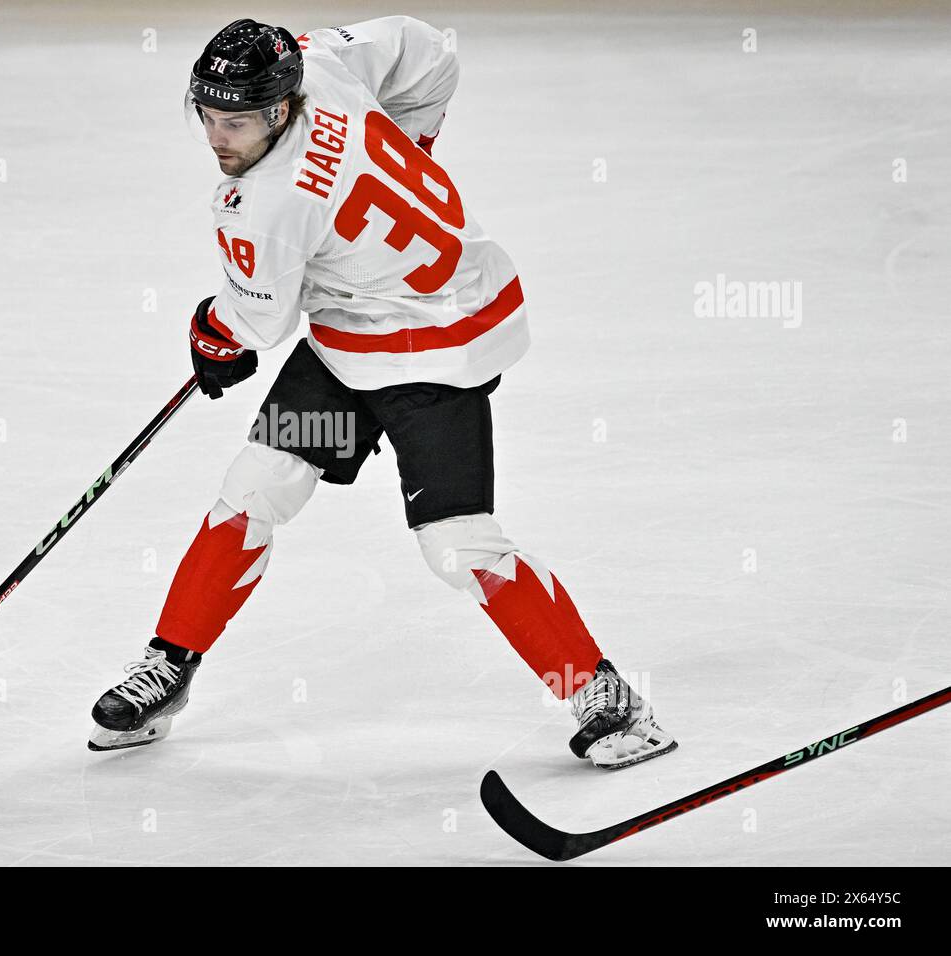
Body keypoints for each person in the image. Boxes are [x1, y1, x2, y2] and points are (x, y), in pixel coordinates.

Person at [88, 17, 676, 770]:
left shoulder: (260, 205)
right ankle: (168, 666)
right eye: (205, 114)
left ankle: (604, 694)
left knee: (457, 544)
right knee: (253, 492)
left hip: (437, 351)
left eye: (234, 120)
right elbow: (427, 50)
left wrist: (211, 331)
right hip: (366, 334)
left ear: (277, 109)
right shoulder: (322, 66)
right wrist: (412, 142)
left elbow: (258, 321)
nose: (216, 135)